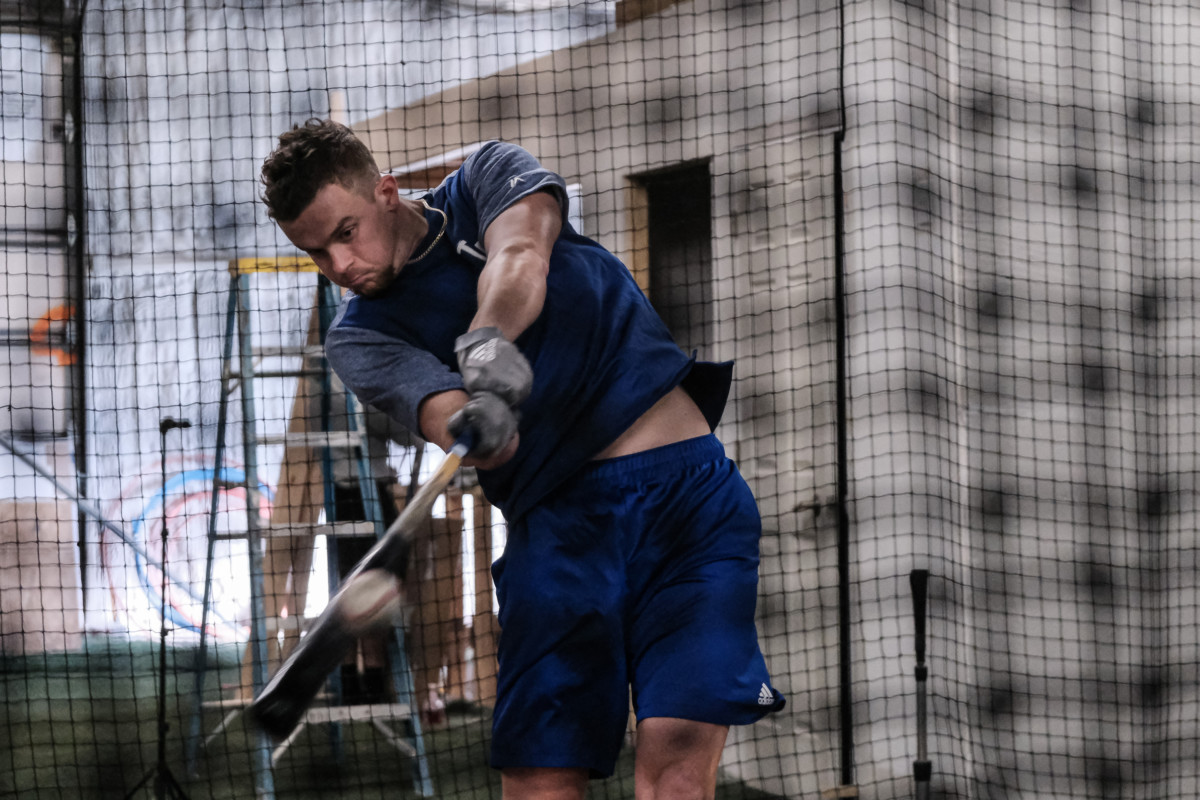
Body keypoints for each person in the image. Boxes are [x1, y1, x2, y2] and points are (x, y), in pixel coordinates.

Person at [260, 118, 784, 800]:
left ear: (385, 193)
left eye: (345, 233)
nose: (341, 268)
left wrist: (485, 343)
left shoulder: (484, 179)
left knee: (678, 765)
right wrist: (478, 421)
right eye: (317, 255)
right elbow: (464, 428)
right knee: (541, 772)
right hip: (560, 530)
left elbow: (521, 258)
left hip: (689, 506)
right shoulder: (359, 338)